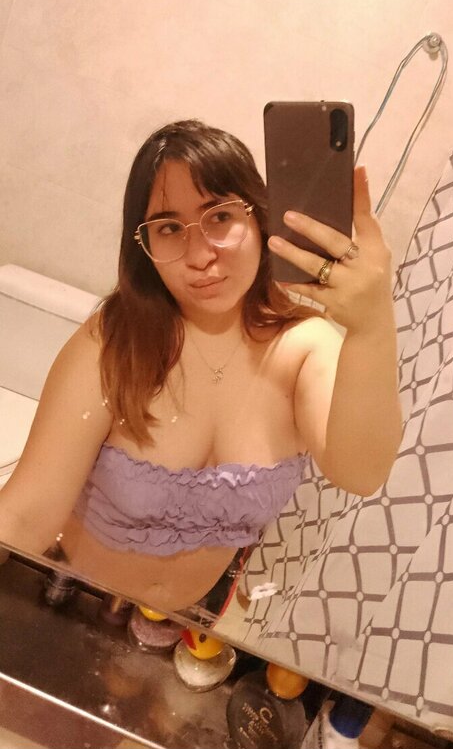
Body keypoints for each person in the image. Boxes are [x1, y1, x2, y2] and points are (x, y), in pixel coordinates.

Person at [0, 120, 402, 612]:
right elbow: (26, 515)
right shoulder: (114, 342)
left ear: (259, 219)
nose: (200, 256)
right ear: (144, 244)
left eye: (220, 216)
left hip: (191, 618)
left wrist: (372, 326)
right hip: (72, 600)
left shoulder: (304, 349)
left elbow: (361, 473)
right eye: (169, 228)